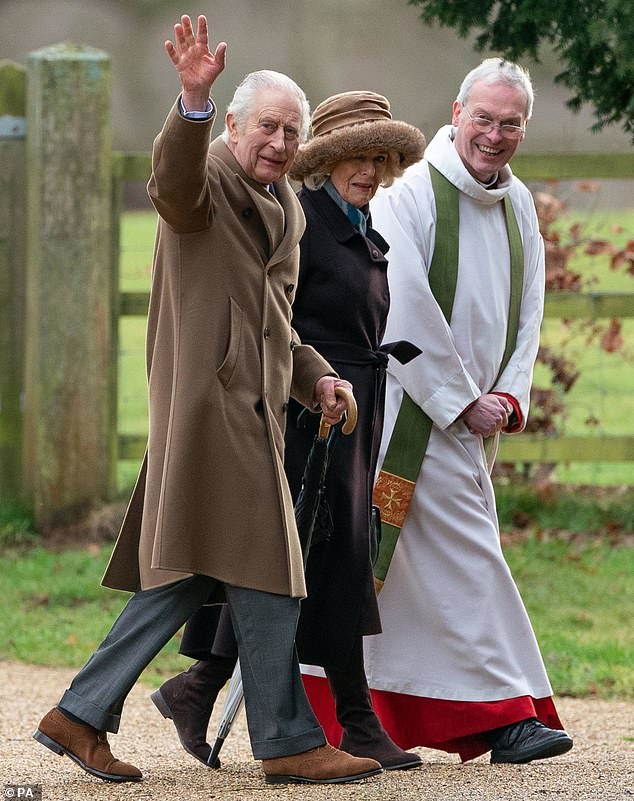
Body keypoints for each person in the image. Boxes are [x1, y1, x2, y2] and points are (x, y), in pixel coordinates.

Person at [32, 14, 385, 786]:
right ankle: (288, 739)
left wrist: (318, 376)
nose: (281, 143)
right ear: (232, 124)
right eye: (267, 126)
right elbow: (171, 182)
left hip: (256, 414)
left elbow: (277, 323)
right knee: (271, 571)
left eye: (292, 131)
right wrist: (189, 102)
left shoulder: (286, 205)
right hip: (210, 413)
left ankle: (80, 713)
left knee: (192, 575)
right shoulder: (209, 178)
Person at [304, 58, 575, 765]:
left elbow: (530, 308)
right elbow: (403, 305)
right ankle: (509, 714)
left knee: (400, 582)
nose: (494, 134)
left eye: (510, 123)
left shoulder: (517, 203)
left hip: (475, 418)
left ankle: (334, 710)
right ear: (456, 113)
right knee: (468, 557)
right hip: (410, 415)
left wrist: (509, 395)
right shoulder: (412, 193)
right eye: (483, 118)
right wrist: (461, 401)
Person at [149, 91, 426, 771]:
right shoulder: (301, 217)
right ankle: (345, 719)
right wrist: (304, 386)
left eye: (381, 157)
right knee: (298, 560)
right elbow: (273, 315)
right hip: (302, 413)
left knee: (320, 558)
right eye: (357, 156)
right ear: (326, 160)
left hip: (351, 406)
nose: (371, 168)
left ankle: (199, 684)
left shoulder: (362, 223)